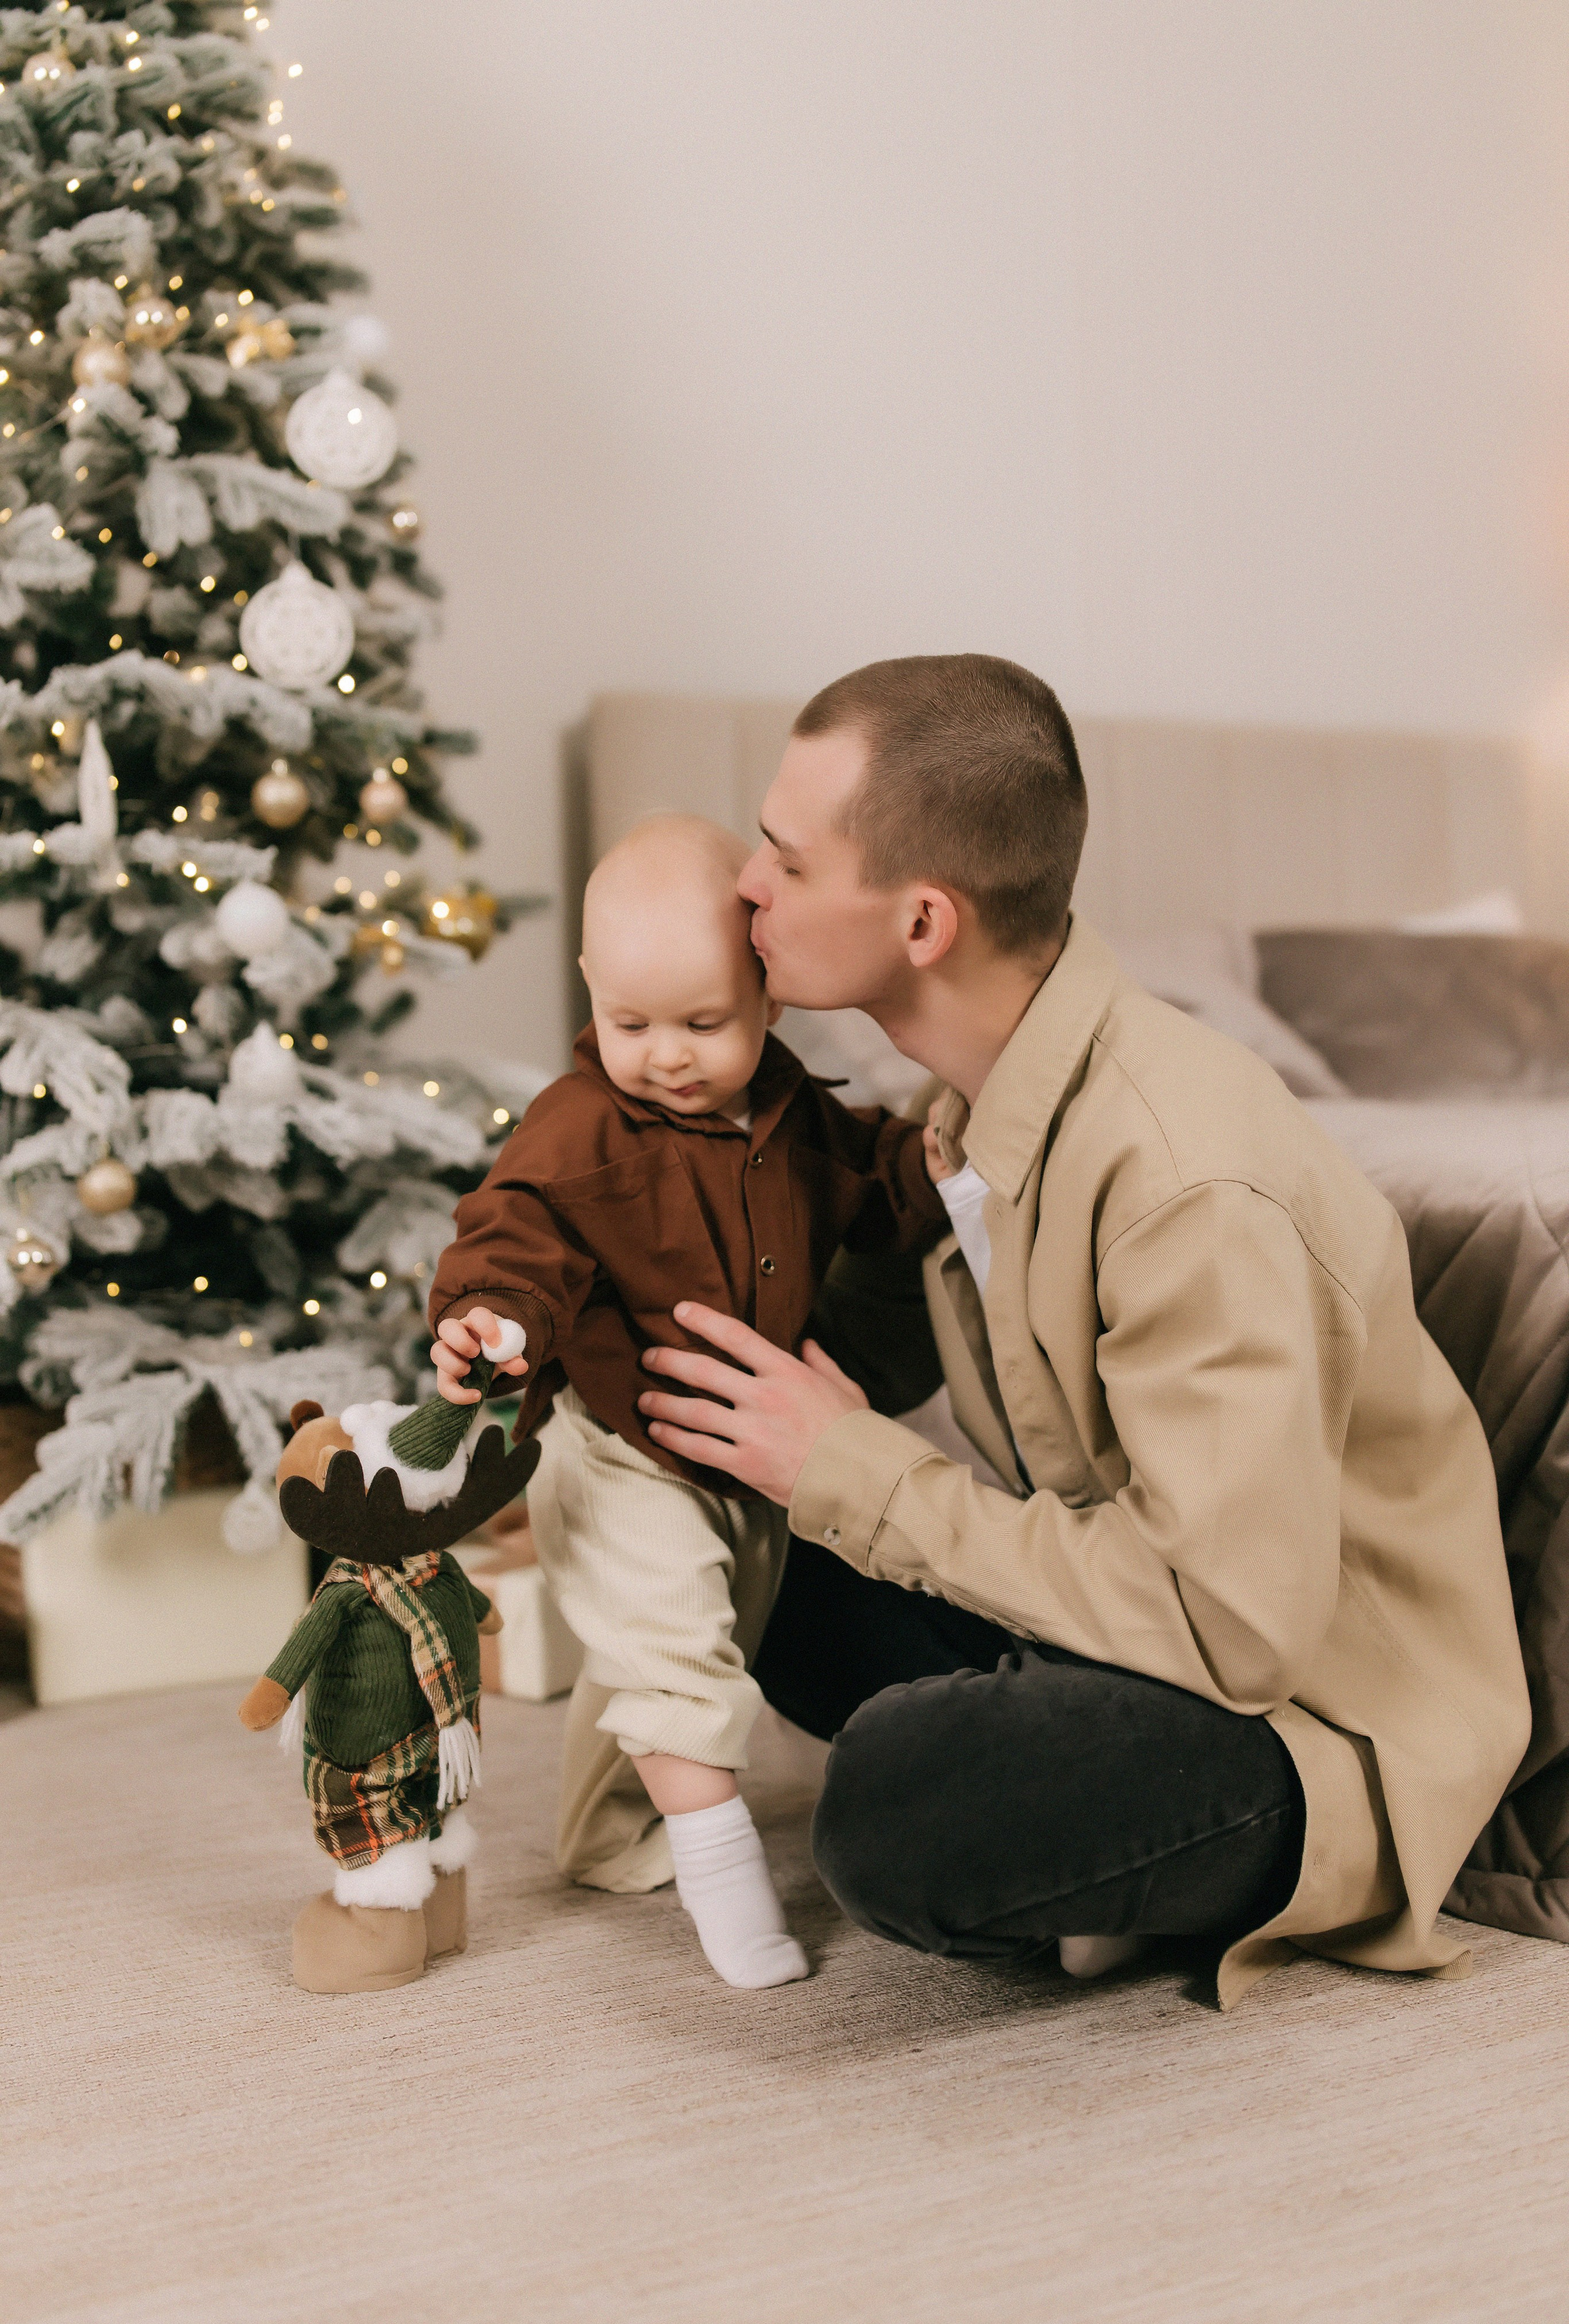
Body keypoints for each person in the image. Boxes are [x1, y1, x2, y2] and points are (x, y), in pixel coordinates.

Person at [635, 654, 1532, 2008]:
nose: (745, 888)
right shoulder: (968, 1113)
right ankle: (1087, 1844)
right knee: (764, 1554)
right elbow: (814, 1370)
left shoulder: (1182, 1178)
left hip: (1301, 1714)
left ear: (922, 921)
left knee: (896, 1816)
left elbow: (1232, 1628)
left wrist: (863, 1475)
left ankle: (1140, 1859)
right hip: (1130, 1625)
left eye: (784, 859)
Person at [425, 812, 946, 1988]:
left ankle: (608, 1837)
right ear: (592, 992)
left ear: (769, 995)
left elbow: (872, 1180)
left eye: (703, 1023)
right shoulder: (578, 1133)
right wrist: (494, 1321)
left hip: (748, 1461)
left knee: (670, 1655)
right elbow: (513, 1236)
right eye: (631, 1023)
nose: (666, 1054)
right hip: (623, 1455)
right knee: (673, 1661)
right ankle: (725, 1883)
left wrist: (939, 1162)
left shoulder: (790, 1107)